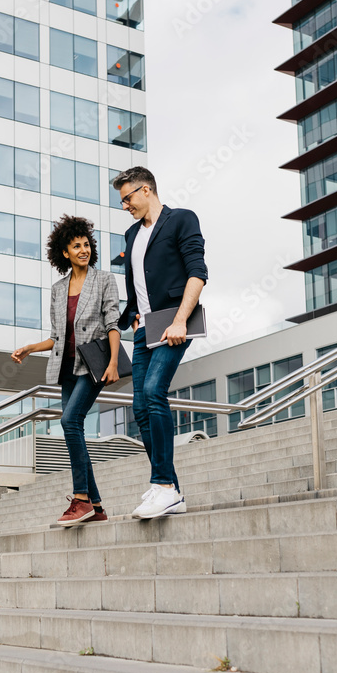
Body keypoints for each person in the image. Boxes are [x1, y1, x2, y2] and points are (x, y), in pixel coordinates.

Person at [12, 215, 121, 526]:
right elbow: (57, 336)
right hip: (66, 367)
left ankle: (81, 499)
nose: (83, 250)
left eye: (87, 245)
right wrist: (30, 348)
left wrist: (113, 362)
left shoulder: (104, 281)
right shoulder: (58, 289)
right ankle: (97, 508)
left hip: (94, 364)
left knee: (70, 420)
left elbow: (113, 324)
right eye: (77, 246)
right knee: (75, 430)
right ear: (65, 252)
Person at [113, 167, 207, 519]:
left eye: (127, 198)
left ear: (146, 189)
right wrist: (134, 315)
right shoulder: (131, 234)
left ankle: (164, 486)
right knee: (140, 409)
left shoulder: (181, 219)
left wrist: (181, 319)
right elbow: (137, 281)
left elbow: (197, 272)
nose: (125, 206)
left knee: (154, 391)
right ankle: (170, 490)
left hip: (175, 321)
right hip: (144, 329)